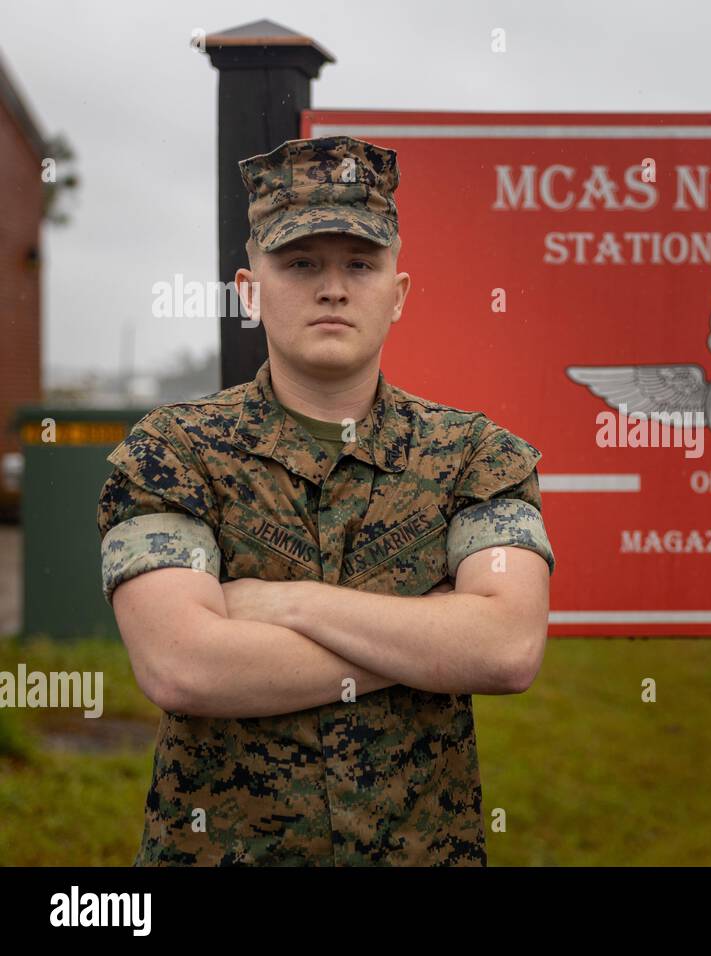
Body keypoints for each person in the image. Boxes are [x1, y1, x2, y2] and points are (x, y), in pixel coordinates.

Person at [96, 135, 555, 866]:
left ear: (396, 293)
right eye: (302, 263)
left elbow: (505, 649)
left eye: (361, 265)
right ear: (249, 290)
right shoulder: (173, 452)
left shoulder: (476, 456)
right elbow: (183, 665)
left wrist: (288, 604)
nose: (333, 288)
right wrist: (433, 640)